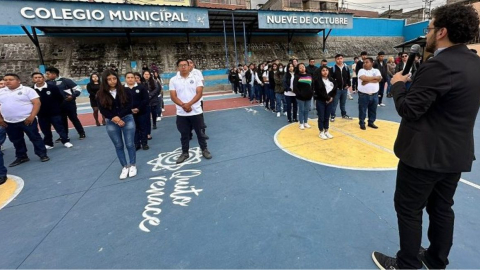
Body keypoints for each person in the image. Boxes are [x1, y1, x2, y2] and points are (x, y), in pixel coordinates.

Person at [371, 4, 480, 270]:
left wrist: (397, 84)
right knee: (442, 209)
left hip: (423, 155)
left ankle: (407, 264)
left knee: (409, 210)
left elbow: (409, 109)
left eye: (429, 28)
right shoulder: (475, 63)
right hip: (456, 154)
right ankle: (436, 259)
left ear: (442, 31)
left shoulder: (439, 65)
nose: (427, 33)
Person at [0, 74, 49, 167]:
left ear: (18, 81)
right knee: (16, 140)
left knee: (35, 137)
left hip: (27, 120)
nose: (7, 81)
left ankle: (42, 154)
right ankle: (22, 156)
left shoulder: (27, 90)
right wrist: (0, 119)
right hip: (9, 122)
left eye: (11, 79)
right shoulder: (1, 92)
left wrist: (32, 116)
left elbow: (37, 103)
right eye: (5, 80)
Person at [169, 59, 212, 164]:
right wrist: (183, 105)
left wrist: (189, 104)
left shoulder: (196, 78)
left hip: (196, 111)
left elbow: (199, 93)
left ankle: (204, 149)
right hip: (181, 112)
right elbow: (173, 96)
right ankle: (184, 153)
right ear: (177, 67)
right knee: (184, 134)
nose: (183, 67)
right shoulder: (173, 80)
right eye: (181, 65)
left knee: (200, 133)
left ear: (189, 66)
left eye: (185, 65)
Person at [97, 70, 137, 180]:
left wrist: (119, 117)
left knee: (130, 144)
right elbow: (102, 109)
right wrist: (114, 118)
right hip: (111, 122)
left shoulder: (125, 90)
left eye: (114, 78)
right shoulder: (100, 94)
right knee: (118, 145)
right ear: (105, 81)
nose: (112, 81)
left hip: (127, 119)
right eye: (109, 79)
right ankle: (125, 166)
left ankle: (133, 164)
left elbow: (129, 105)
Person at [32, 72, 73, 149]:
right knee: (45, 130)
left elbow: (60, 98)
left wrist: (56, 108)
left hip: (54, 113)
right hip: (41, 114)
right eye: (35, 78)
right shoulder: (31, 90)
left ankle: (65, 141)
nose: (38, 79)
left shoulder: (52, 88)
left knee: (60, 128)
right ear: (33, 79)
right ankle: (49, 143)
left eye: (39, 77)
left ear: (43, 78)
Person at [45, 67, 86, 141]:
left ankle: (81, 133)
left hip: (69, 104)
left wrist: (72, 96)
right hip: (58, 106)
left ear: (54, 74)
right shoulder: (47, 83)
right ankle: (64, 136)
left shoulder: (66, 81)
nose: (46, 75)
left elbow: (78, 89)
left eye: (48, 74)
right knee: (62, 121)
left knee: (74, 119)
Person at [124, 72, 150, 151]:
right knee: (133, 129)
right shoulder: (122, 89)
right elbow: (122, 101)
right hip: (129, 113)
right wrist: (130, 109)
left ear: (135, 78)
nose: (130, 79)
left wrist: (138, 108)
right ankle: (136, 144)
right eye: (128, 77)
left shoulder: (141, 87)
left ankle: (144, 143)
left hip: (141, 112)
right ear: (125, 79)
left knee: (143, 127)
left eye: (132, 77)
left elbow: (145, 99)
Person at [357, 57, 381, 130]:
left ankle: (371, 122)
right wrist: (374, 78)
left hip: (374, 94)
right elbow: (364, 78)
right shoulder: (361, 70)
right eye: (364, 62)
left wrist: (368, 81)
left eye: (366, 62)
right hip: (363, 95)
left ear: (372, 63)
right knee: (362, 110)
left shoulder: (376, 70)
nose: (364, 64)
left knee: (373, 109)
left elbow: (379, 79)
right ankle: (362, 123)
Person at [313, 66, 337, 140]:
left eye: (326, 70)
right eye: (323, 70)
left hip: (330, 101)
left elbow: (334, 90)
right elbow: (319, 92)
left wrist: (331, 98)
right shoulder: (317, 81)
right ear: (320, 72)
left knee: (327, 117)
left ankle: (326, 130)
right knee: (321, 117)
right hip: (321, 101)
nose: (325, 72)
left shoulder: (332, 80)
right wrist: (327, 98)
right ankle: (321, 132)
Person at [330, 54, 353, 122]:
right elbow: (330, 79)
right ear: (335, 60)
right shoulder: (332, 69)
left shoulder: (346, 68)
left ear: (343, 59)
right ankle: (332, 115)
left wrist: (348, 85)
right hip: (337, 90)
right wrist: (335, 86)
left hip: (344, 90)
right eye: (338, 59)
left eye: (341, 58)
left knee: (343, 104)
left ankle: (343, 114)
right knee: (334, 104)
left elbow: (348, 77)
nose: (339, 60)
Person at [293, 63, 313, 130]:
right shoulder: (297, 76)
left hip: (308, 96)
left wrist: (311, 93)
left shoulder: (309, 75)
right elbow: (295, 87)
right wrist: (299, 94)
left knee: (306, 110)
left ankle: (306, 123)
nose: (302, 68)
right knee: (301, 110)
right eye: (300, 67)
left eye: (303, 67)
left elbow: (312, 85)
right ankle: (301, 123)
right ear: (298, 69)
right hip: (300, 97)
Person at [141, 70, 160, 139]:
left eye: (148, 74)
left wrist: (150, 95)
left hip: (153, 100)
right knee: (146, 116)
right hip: (145, 101)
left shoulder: (154, 81)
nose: (146, 75)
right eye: (145, 74)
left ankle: (154, 123)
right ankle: (147, 131)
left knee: (154, 112)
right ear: (143, 75)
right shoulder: (141, 82)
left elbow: (157, 89)